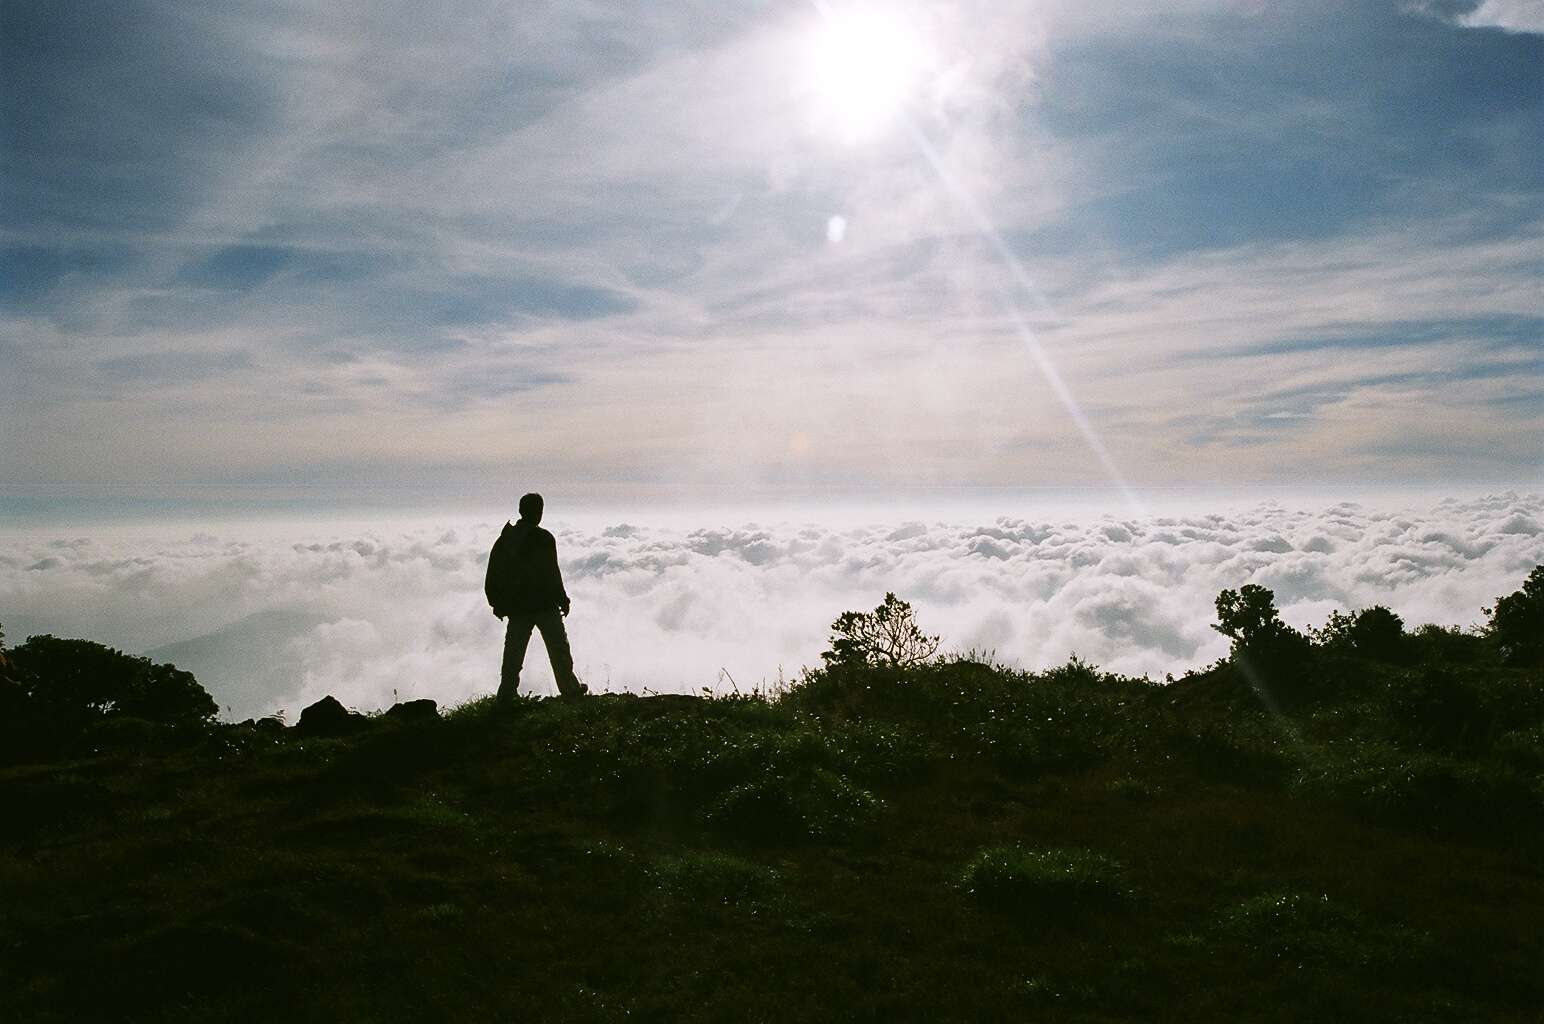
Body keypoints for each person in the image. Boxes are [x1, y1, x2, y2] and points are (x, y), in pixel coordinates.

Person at [485, 492, 588, 700]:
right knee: (558, 649)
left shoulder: (505, 540)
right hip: (544, 605)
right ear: (538, 512)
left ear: (521, 511)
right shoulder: (544, 538)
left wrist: (497, 603)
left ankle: (506, 695)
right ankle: (569, 690)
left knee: (513, 654)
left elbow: (493, 573)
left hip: (517, 607)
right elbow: (551, 572)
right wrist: (563, 599)